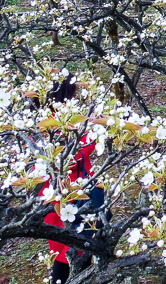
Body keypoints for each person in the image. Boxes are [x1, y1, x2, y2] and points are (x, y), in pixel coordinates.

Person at [39, 75, 105, 284]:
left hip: (66, 193)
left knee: (68, 248)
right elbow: (73, 157)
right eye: (71, 93)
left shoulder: (47, 118)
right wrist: (93, 129)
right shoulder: (53, 122)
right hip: (68, 195)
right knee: (71, 250)